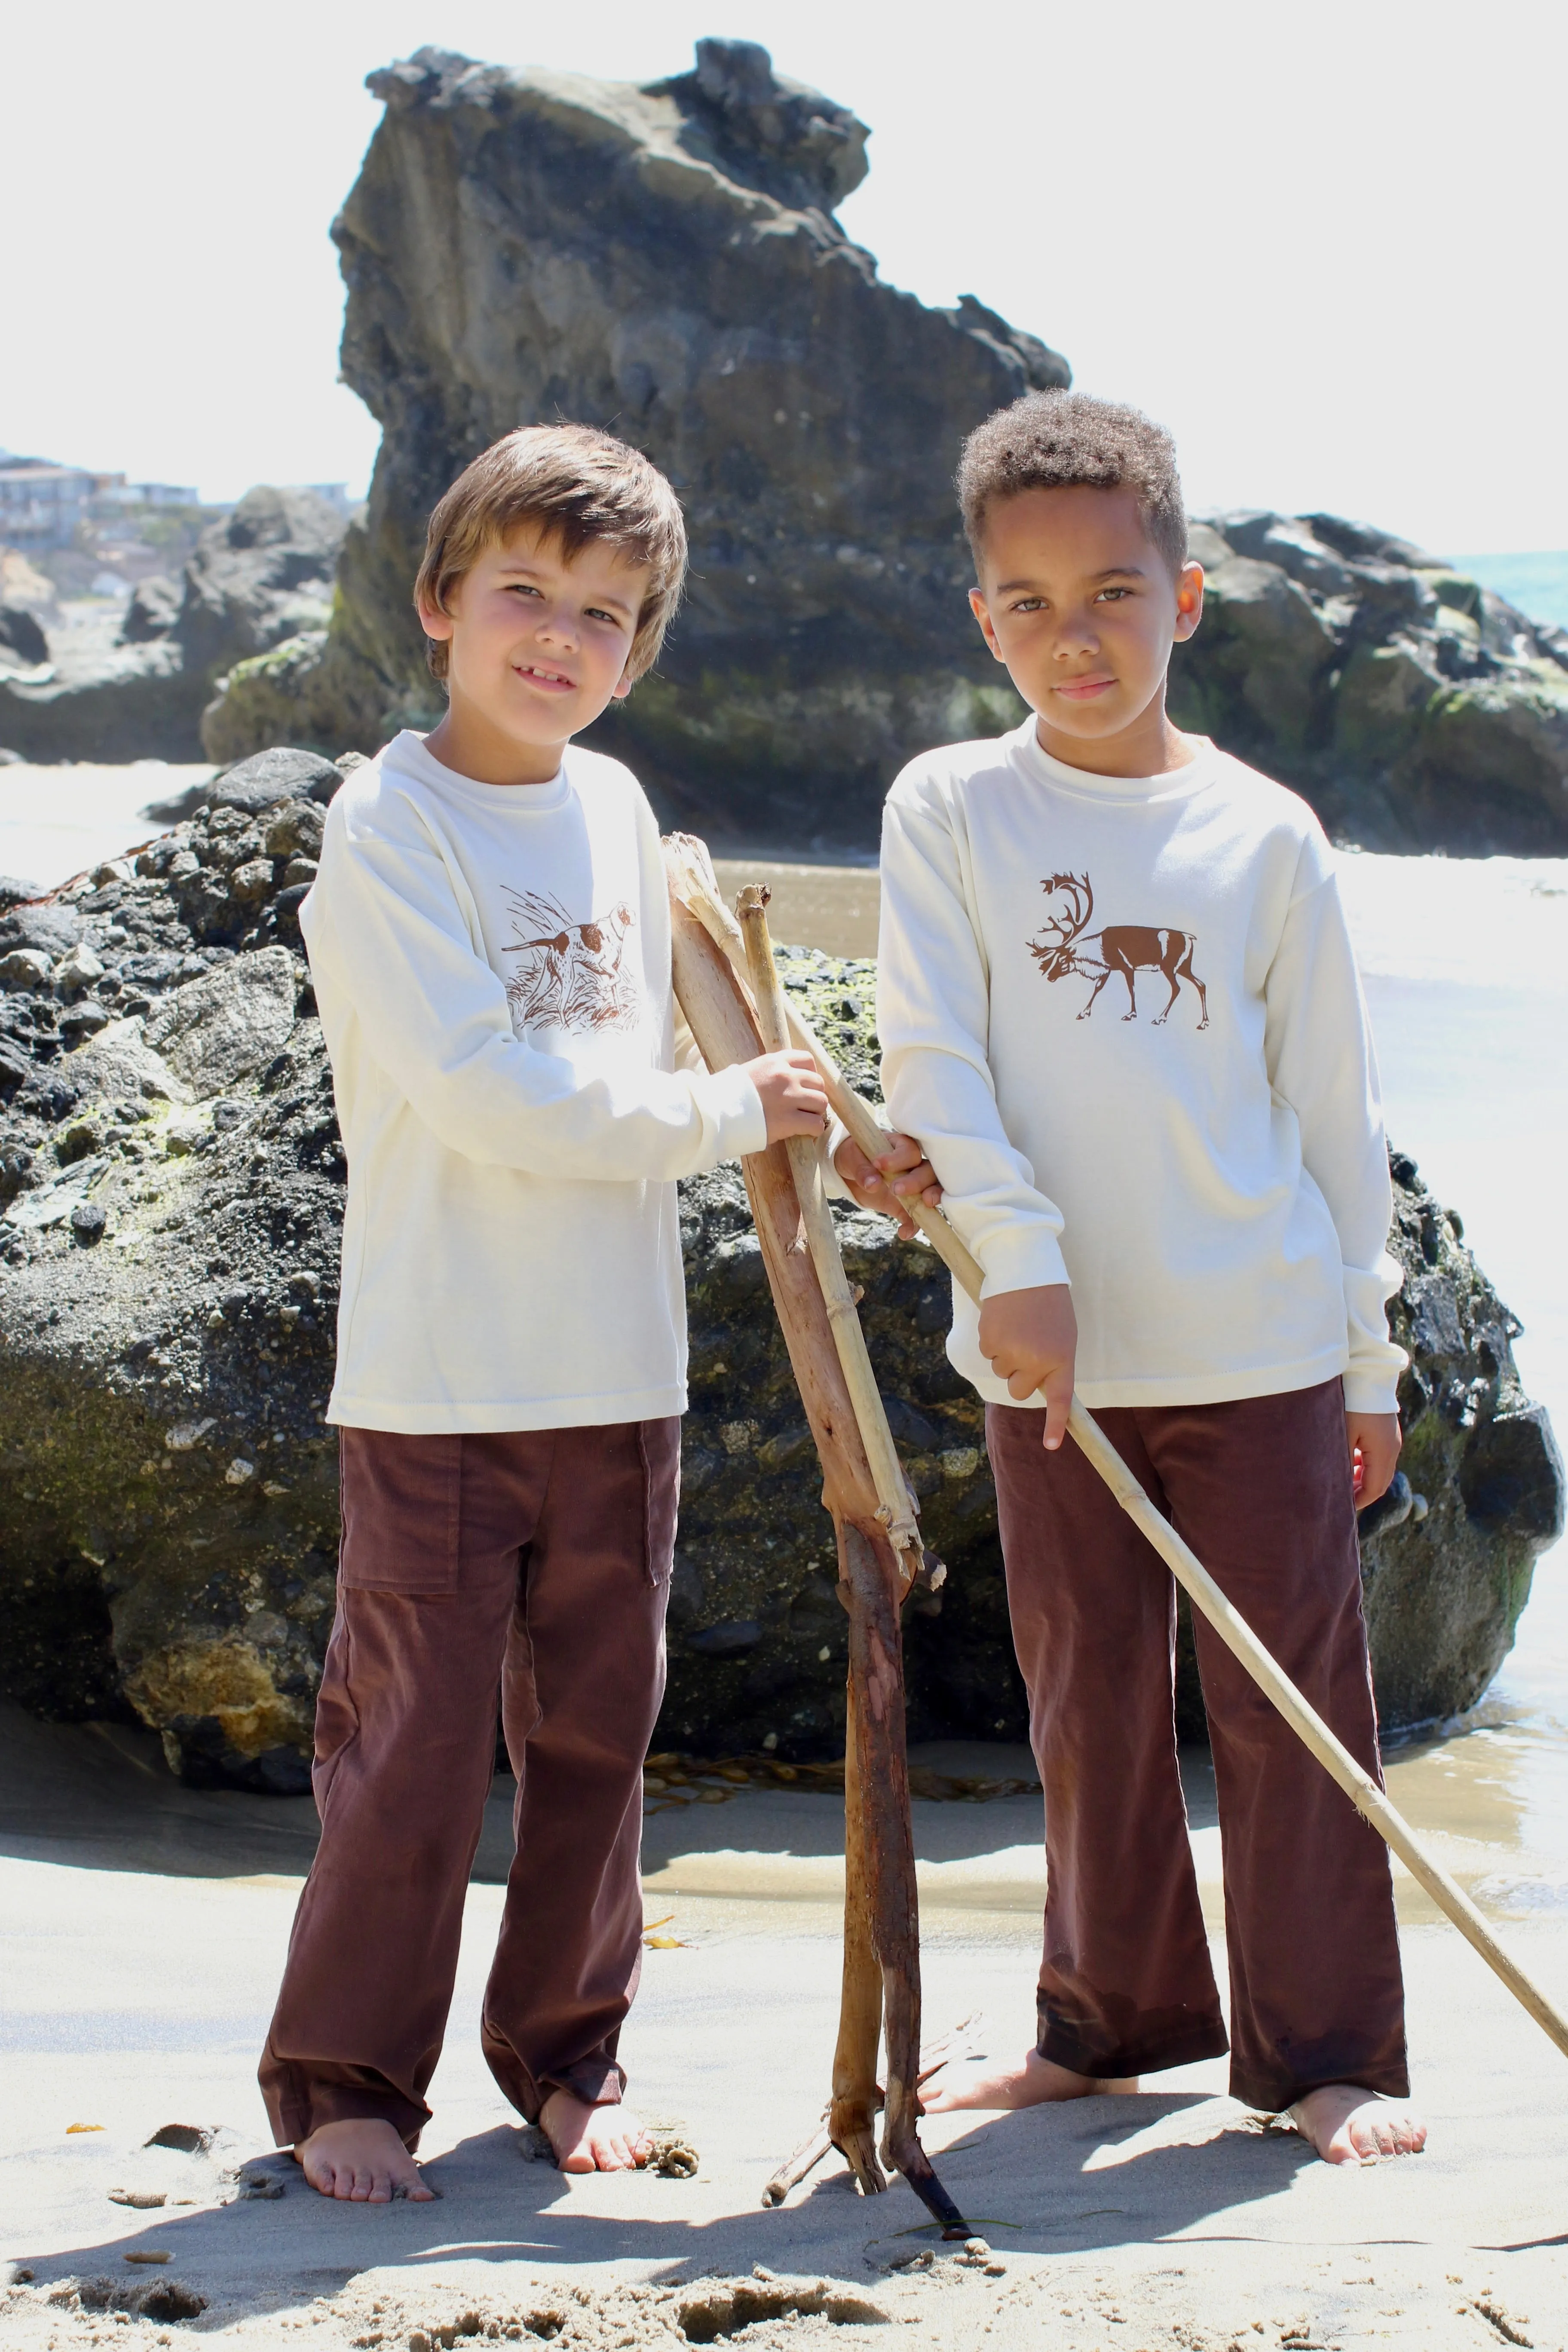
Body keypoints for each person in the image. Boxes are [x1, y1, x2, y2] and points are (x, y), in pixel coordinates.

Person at [258, 423, 848, 2203]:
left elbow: (660, 1037)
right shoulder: (388, 828)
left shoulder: (617, 811)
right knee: (414, 1747)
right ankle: (349, 2077)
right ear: (441, 603)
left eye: (606, 613)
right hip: (443, 1373)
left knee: (598, 1734)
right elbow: (492, 1093)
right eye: (525, 591)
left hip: (618, 1368)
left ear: (640, 647)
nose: (560, 637)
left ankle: (568, 2057)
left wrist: (819, 1119)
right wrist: (739, 1108)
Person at [858, 389, 1427, 2168]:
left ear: (1182, 600)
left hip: (1254, 1341)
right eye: (1026, 603)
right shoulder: (952, 804)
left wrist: (1369, 1361)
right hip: (1052, 1364)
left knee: (1292, 1704)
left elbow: (1333, 1116)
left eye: (1110, 593)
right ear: (982, 620)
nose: (1071, 636)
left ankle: (1327, 2051)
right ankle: (1102, 2029)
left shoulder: (1264, 834)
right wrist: (1016, 1269)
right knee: (1086, 1694)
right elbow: (938, 1064)